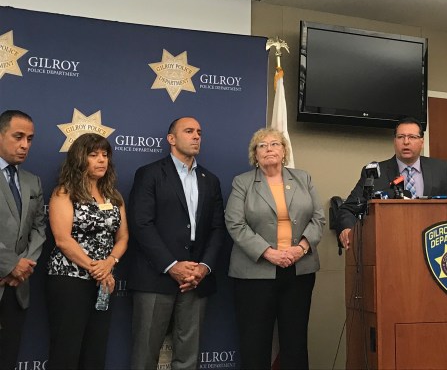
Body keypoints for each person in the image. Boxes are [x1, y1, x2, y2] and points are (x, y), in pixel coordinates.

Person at [128, 117, 225, 370]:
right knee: (144, 356)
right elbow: (141, 224)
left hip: (196, 279)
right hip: (155, 277)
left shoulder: (210, 180)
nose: (196, 136)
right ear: (171, 139)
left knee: (188, 358)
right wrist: (171, 265)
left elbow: (217, 228)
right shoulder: (149, 174)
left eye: (199, 132)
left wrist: (203, 267)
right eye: (189, 131)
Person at [225, 127, 325, 370]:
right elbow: (234, 222)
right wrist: (268, 252)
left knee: (295, 341)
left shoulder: (304, 178)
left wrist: (300, 249)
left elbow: (318, 218)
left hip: (298, 271)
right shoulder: (243, 182)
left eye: (275, 144)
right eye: (262, 145)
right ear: (254, 155)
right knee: (255, 342)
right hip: (254, 273)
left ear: (284, 151)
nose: (269, 149)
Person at [46, 133, 129, 370]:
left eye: (105, 155)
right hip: (69, 279)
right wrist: (97, 269)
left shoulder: (114, 196)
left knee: (95, 351)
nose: (101, 160)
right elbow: (63, 240)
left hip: (104, 282)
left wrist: (109, 263)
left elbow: (123, 237)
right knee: (66, 351)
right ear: (80, 159)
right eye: (93, 155)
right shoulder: (65, 192)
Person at [336, 116, 447, 249]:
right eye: (401, 137)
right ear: (394, 141)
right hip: (391, 245)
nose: (406, 142)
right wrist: (347, 229)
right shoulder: (376, 172)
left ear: (422, 142)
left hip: (435, 244)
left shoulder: (440, 169)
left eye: (412, 137)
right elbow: (348, 209)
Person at [0, 110, 46, 370]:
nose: (25, 145)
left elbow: (39, 228)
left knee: (8, 357)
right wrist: (9, 265)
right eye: (18, 137)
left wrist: (23, 267)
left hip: (18, 289)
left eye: (29, 139)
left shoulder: (33, 181)